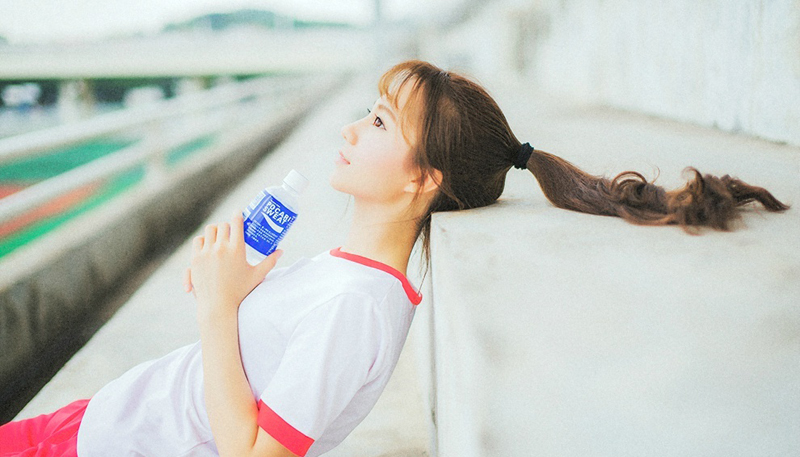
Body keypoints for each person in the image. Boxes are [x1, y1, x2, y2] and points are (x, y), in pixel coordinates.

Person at [0, 60, 789, 457]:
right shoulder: (348, 279)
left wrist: (215, 308)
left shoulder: (359, 307)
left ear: (424, 177)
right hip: (107, 424)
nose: (350, 130)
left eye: (377, 122)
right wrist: (231, 295)